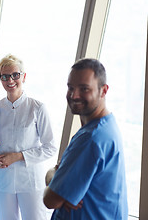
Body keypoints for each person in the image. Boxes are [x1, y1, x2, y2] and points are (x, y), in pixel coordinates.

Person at [43, 58, 128, 219]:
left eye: (84, 89)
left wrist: (54, 175)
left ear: (103, 90)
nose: (74, 95)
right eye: (70, 87)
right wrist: (57, 179)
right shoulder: (107, 125)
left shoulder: (91, 138)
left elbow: (50, 200)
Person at [0, 54, 57, 220]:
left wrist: (18, 156)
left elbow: (50, 147)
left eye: (15, 75)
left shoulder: (37, 108)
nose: (10, 80)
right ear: (0, 79)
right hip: (3, 180)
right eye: (5, 76)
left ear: (24, 76)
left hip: (30, 180)